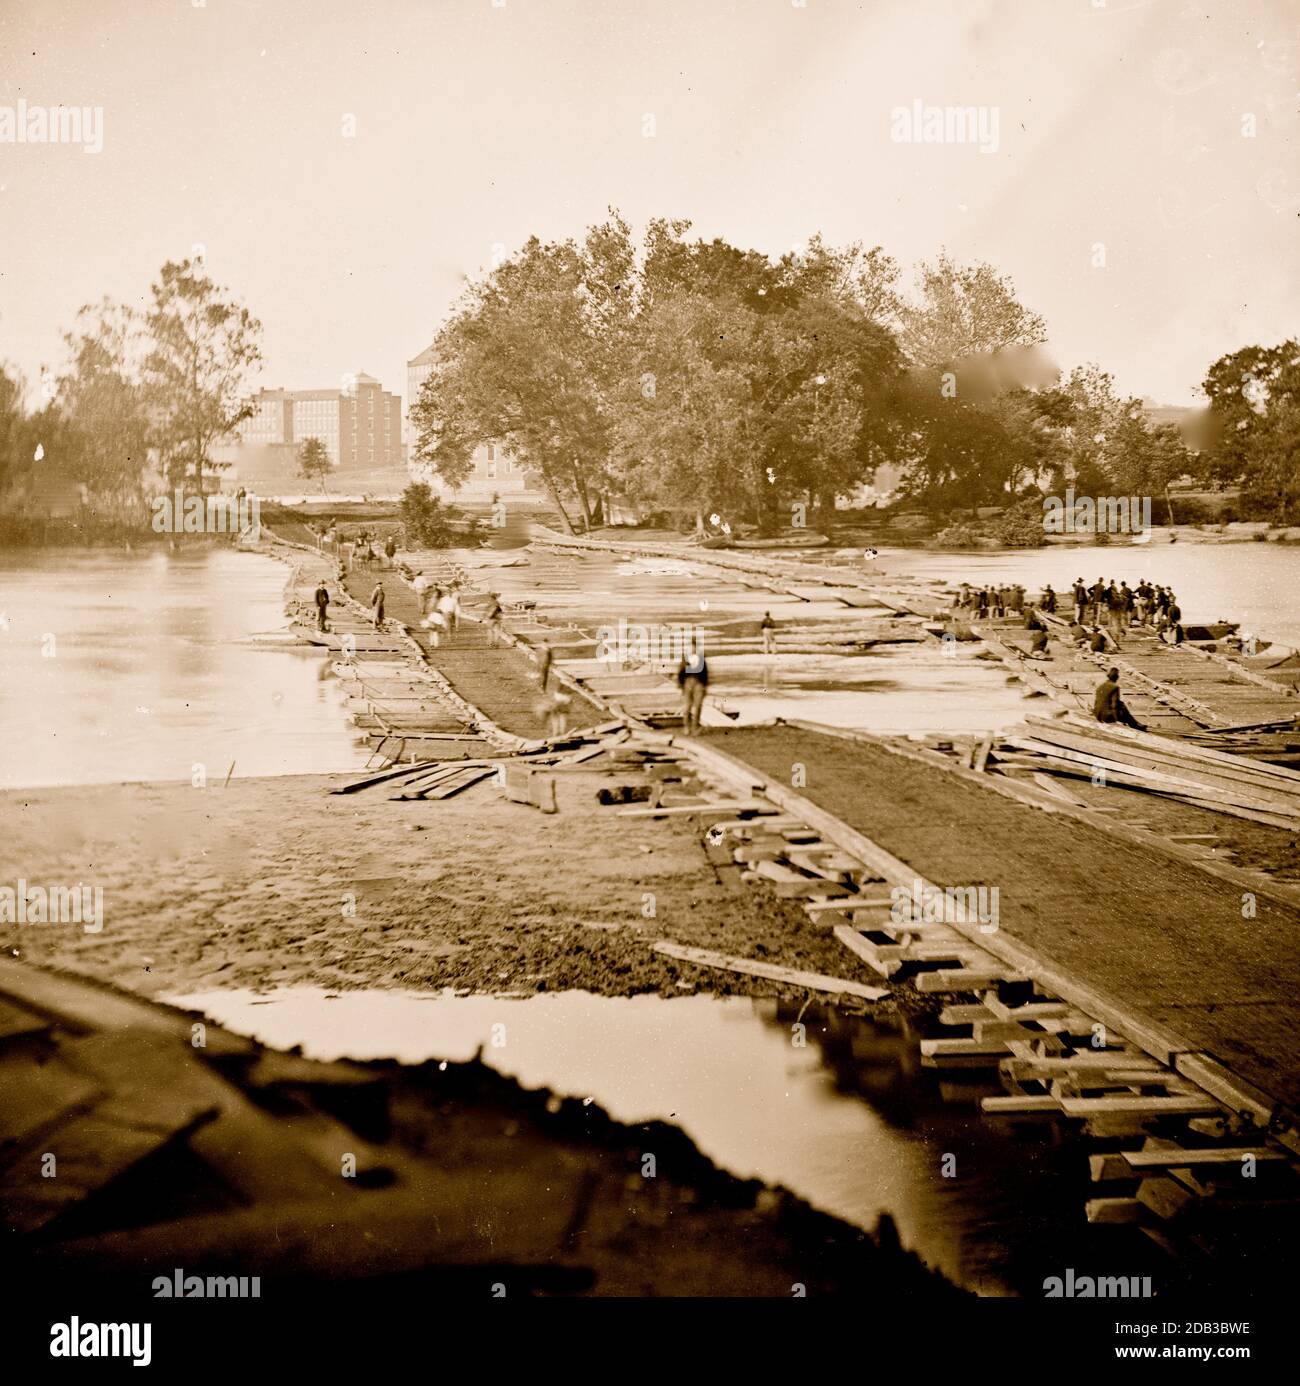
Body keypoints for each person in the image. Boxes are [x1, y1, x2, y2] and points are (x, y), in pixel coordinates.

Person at [676, 652, 709, 735]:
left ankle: (695, 727)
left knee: (698, 705)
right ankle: (686, 727)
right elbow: (680, 672)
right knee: (687, 706)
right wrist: (680, 685)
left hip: (699, 683)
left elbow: (705, 672)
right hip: (687, 683)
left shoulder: (701, 658)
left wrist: (705, 686)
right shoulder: (685, 658)